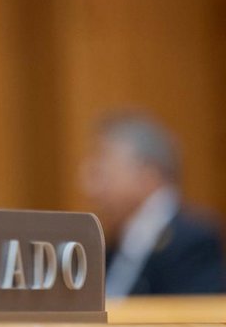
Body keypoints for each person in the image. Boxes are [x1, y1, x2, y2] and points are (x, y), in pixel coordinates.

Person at [82, 111, 225, 296]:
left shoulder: (193, 242)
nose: (90, 187)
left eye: (102, 173)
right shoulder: (112, 244)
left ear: (147, 174)